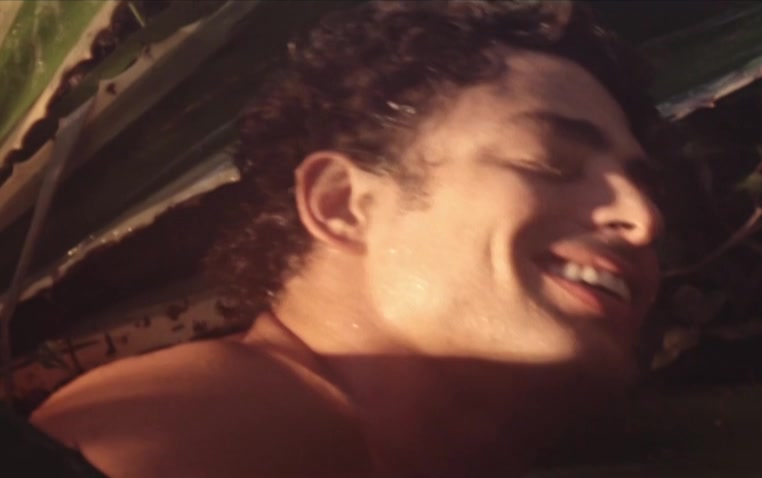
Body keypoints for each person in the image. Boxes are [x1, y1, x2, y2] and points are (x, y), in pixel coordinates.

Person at [27, 1, 666, 477]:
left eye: (644, 185)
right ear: (343, 205)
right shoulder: (221, 423)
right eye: (548, 163)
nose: (644, 219)